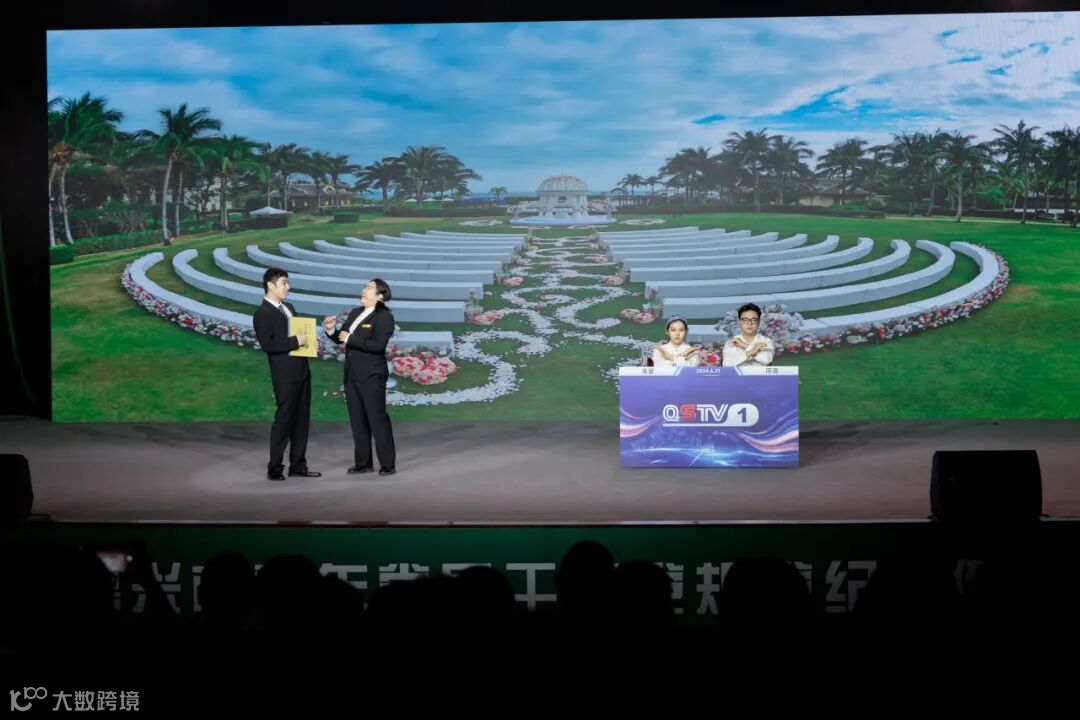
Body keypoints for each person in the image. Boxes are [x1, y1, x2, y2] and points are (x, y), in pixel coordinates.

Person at [252, 268, 320, 481]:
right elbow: (268, 344)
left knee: (302, 421)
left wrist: (310, 344)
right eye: (284, 283)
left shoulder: (289, 308)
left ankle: (298, 465)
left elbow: (299, 337)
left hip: (302, 372)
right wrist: (296, 341)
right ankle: (275, 468)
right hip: (284, 376)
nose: (288, 287)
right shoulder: (262, 313)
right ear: (270, 285)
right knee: (284, 421)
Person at [324, 279, 397, 476]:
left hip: (372, 375)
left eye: (370, 288)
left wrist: (350, 338)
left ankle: (387, 464)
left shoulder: (384, 317)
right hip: (352, 374)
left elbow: (377, 345)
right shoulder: (356, 312)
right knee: (357, 420)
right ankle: (363, 463)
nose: (364, 290)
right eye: (365, 287)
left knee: (377, 419)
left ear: (380, 296)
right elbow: (342, 338)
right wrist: (331, 330)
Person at [722, 302, 775, 367]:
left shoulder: (766, 341)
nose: (749, 323)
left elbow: (767, 360)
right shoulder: (732, 343)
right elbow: (727, 365)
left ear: (759, 322)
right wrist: (753, 350)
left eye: (753, 319)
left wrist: (745, 346)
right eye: (745, 320)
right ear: (739, 322)